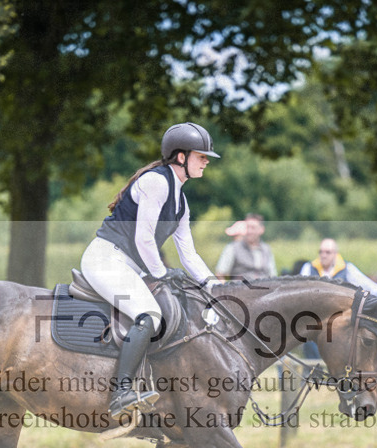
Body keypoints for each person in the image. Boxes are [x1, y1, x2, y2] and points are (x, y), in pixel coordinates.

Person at [81, 122, 220, 418]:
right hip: (106, 258)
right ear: (181, 157)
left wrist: (215, 287)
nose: (206, 161)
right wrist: (160, 273)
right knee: (150, 315)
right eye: (201, 156)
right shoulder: (157, 182)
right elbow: (144, 237)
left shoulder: (180, 202)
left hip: (129, 265)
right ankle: (120, 393)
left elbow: (189, 255)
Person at [299, 238, 377, 293]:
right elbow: (300, 291)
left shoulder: (347, 268)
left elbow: (374, 289)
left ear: (335, 254)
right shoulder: (309, 268)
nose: (323, 255)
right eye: (321, 252)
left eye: (328, 252)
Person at [214, 213, 276, 280]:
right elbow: (220, 274)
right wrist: (224, 289)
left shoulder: (266, 249)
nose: (249, 231)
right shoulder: (232, 248)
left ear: (261, 229)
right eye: (247, 227)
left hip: (265, 289)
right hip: (240, 289)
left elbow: (273, 275)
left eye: (253, 228)